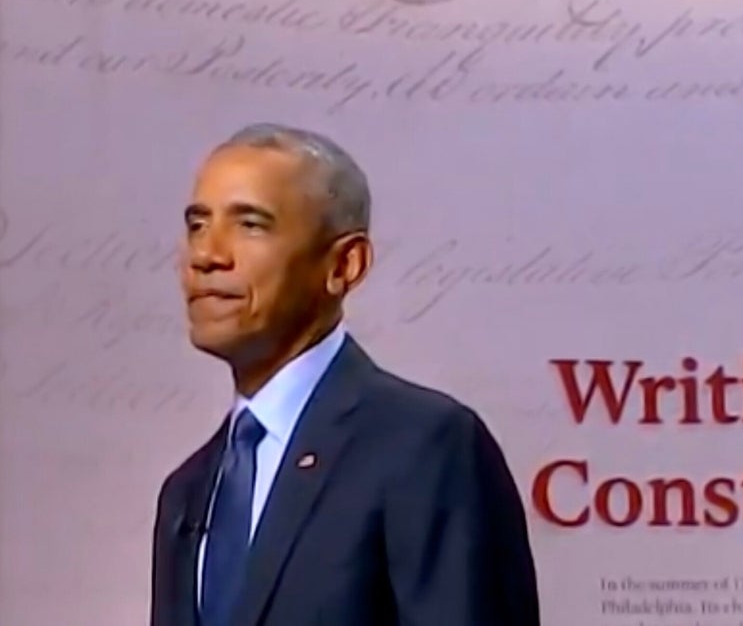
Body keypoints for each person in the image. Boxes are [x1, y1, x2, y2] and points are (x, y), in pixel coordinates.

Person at [149, 123, 540, 626]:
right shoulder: (188, 490)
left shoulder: (424, 447)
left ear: (344, 265)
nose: (206, 255)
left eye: (250, 224)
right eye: (197, 225)